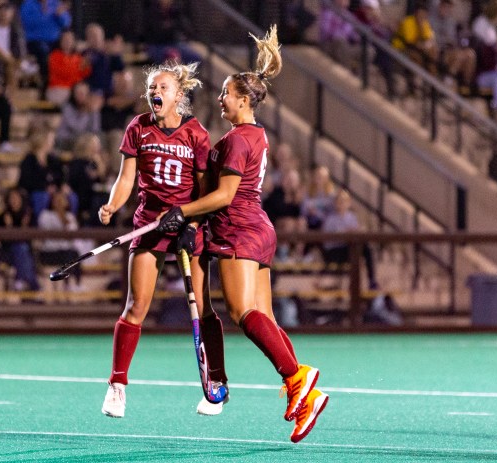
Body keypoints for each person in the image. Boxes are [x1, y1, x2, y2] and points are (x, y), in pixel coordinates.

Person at [154, 26, 328, 443]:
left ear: (244, 100)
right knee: (262, 315)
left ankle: (297, 377)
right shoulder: (255, 136)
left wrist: (181, 213)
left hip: (238, 228)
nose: (220, 99)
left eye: (227, 94)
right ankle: (301, 390)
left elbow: (225, 194)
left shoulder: (236, 141)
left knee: (243, 314)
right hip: (255, 226)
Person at [97, 60, 228, 418]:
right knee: (136, 307)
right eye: (152, 87)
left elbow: (204, 189)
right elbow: (126, 179)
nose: (155, 92)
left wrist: (191, 224)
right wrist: (111, 205)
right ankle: (117, 386)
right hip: (150, 226)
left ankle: (215, 384)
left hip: (188, 225)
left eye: (163, 87)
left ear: (179, 95)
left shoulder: (196, 134)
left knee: (203, 310)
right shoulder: (138, 128)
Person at [322, 189, 379, 289]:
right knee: (354, 252)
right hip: (335, 251)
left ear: (348, 203)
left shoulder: (352, 217)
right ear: (335, 203)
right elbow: (328, 241)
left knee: (366, 248)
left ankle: (372, 280)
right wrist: (345, 232)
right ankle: (352, 286)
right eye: (339, 201)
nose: (341, 204)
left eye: (344, 201)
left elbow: (355, 233)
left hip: (349, 249)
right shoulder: (330, 219)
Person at [0, 187, 41, 292]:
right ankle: (34, 286)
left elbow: (33, 237)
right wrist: (8, 227)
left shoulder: (28, 215)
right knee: (21, 249)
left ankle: (20, 281)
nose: (14, 201)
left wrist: (24, 227)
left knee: (23, 249)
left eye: (16, 198)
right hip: (8, 252)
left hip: (27, 252)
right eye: (11, 198)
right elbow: (2, 240)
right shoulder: (5, 215)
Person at [46, 30, 91, 106]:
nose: (68, 41)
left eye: (70, 39)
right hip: (59, 89)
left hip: (75, 89)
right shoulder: (54, 56)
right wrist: (76, 72)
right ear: (60, 41)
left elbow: (86, 73)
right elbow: (63, 72)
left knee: (84, 93)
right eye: (65, 39)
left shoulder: (79, 57)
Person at [55, 81, 102, 150]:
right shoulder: (67, 108)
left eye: (84, 93)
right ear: (73, 94)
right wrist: (85, 112)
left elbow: (96, 130)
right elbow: (77, 129)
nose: (81, 96)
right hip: (66, 140)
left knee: (100, 139)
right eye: (78, 93)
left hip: (85, 140)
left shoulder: (91, 108)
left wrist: (94, 112)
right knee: (86, 143)